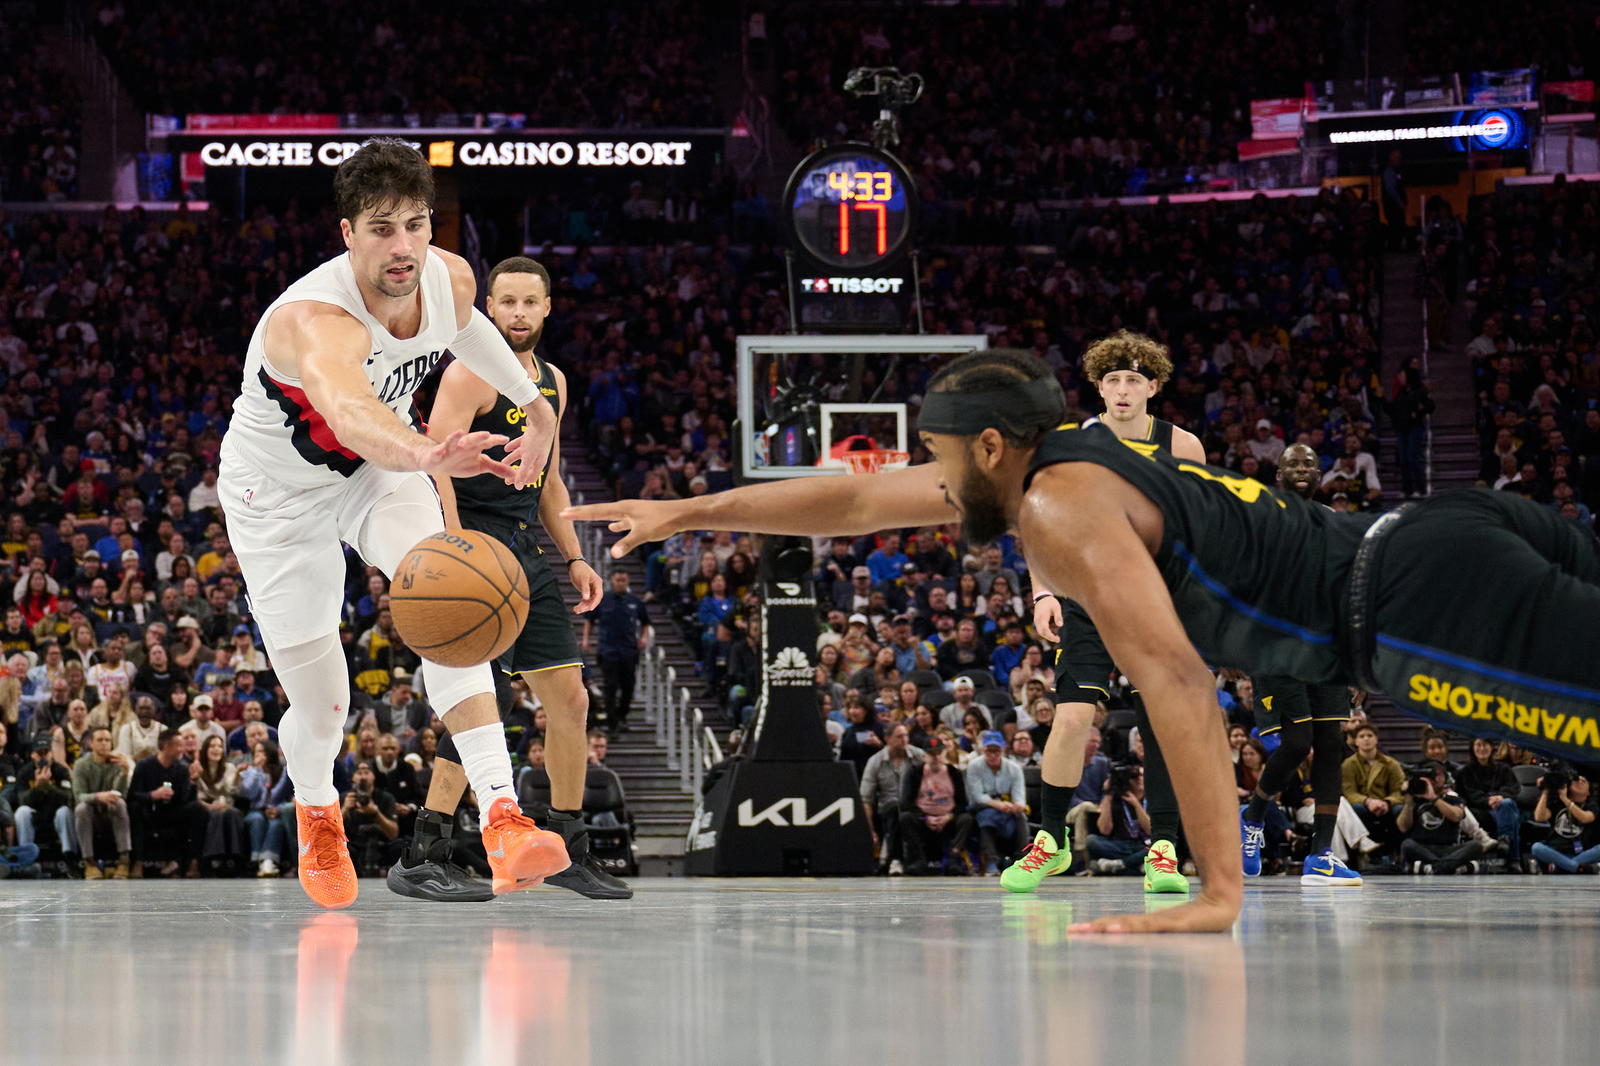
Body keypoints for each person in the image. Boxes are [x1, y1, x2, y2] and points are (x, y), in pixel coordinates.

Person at [568, 344, 1600, 933]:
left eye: (934, 457)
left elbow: (1180, 684)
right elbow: (851, 499)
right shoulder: (1049, 461)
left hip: (1417, 605)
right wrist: (687, 512)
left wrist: (1216, 892)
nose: (923, 479)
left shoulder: (1061, 510)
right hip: (1443, 529)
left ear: (985, 446)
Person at [215, 140, 563, 908]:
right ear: (347, 233)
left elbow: (470, 330)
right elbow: (348, 411)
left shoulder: (447, 276)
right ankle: (314, 808)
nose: (403, 246)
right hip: (278, 499)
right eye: (380, 228)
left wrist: (533, 403)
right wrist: (428, 450)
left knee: (451, 596)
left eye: (414, 224)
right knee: (323, 702)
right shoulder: (315, 321)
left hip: (379, 471)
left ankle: (503, 817)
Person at [1011, 331, 1207, 897]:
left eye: (1134, 381)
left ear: (1153, 387)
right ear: (1099, 386)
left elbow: (1201, 533)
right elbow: (1040, 525)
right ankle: (1050, 841)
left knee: (1162, 726)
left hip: (1158, 601)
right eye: (1112, 380)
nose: (1123, 390)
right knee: (1071, 719)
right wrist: (1043, 592)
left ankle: (1164, 849)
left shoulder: (1183, 446)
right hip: (1087, 596)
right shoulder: (1070, 442)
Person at [1240, 444, 1363, 886]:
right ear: (1279, 473)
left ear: (1320, 474)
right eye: (1293, 462)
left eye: (1310, 463)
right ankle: (1252, 818)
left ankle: (1320, 855)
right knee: (1296, 744)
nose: (1302, 469)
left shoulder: (1334, 523)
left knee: (1331, 744)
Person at [581, 570, 652, 737]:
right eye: (618, 579)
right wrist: (586, 639)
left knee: (628, 686)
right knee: (610, 686)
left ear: (628, 581)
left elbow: (646, 622)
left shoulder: (634, 601)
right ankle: (612, 723)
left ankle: (622, 716)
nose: (621, 582)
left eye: (624, 579)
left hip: (629, 650)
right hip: (608, 650)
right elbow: (588, 620)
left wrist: (644, 637)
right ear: (612, 580)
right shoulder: (602, 599)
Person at [898, 739, 975, 875]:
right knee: (905, 818)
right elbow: (906, 803)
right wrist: (924, 817)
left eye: (938, 752)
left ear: (944, 753)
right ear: (924, 756)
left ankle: (954, 859)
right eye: (931, 753)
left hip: (948, 819)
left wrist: (949, 816)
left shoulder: (954, 773)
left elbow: (962, 803)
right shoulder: (915, 773)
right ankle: (918, 860)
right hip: (923, 819)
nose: (935, 757)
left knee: (966, 819)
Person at [859, 723, 923, 875]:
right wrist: (870, 830)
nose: (904, 740)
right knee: (895, 809)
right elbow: (866, 799)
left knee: (905, 813)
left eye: (906, 736)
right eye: (899, 737)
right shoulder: (875, 761)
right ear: (887, 739)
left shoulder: (918, 756)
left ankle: (912, 860)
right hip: (887, 808)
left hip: (915, 805)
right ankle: (896, 858)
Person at [71, 726, 132, 878]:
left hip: (111, 813)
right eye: (100, 740)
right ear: (91, 744)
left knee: (120, 804)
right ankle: (89, 863)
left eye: (107, 740)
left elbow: (121, 794)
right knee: (81, 809)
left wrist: (125, 773)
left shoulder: (118, 763)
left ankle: (124, 861)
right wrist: (98, 796)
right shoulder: (81, 765)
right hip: (91, 815)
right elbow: (79, 796)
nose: (104, 743)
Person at [1455, 737, 1522, 871]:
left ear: (1491, 748)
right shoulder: (1465, 772)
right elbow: (1468, 794)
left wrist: (1500, 797)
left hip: (1502, 807)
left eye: (1485, 745)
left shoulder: (1504, 768)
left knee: (1507, 804)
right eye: (1478, 745)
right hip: (1479, 811)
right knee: (1511, 815)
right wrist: (1488, 800)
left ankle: (1505, 843)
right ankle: (1513, 859)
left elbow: (1514, 789)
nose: (1482, 748)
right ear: (1472, 748)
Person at [966, 730, 1028, 874]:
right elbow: (977, 796)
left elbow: (1019, 796)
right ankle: (991, 860)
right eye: (989, 751)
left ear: (1003, 750)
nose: (993, 755)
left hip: (1007, 807)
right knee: (987, 817)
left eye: (996, 751)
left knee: (1021, 818)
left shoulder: (1014, 768)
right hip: (982, 807)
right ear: (983, 750)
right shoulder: (974, 766)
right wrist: (998, 804)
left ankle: (1022, 860)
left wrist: (1018, 806)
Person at [1397, 768, 1479, 875]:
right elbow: (1403, 827)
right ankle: (1451, 868)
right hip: (1423, 848)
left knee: (1476, 845)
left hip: (1449, 848)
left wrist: (1434, 798)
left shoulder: (1452, 798)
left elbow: (1457, 816)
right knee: (1407, 844)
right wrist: (1408, 801)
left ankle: (1431, 868)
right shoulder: (1415, 800)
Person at [1342, 724, 1406, 850]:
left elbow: (1398, 790)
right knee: (1356, 808)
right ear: (1356, 741)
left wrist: (1387, 802)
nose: (1366, 739)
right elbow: (1349, 792)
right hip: (1363, 804)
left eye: (1370, 736)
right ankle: (1360, 852)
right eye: (1362, 736)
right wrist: (1368, 801)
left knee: (1400, 809)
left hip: (1386, 804)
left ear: (1376, 739)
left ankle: (1397, 852)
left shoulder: (1391, 763)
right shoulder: (1348, 765)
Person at [1528, 771, 1600, 873]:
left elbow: (1585, 818)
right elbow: (1539, 817)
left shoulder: (1592, 806)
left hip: (1581, 854)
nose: (1579, 781)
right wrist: (1545, 791)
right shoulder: (1556, 803)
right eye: (1576, 780)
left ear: (1588, 792)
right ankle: (1575, 867)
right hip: (1556, 853)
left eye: (1583, 781)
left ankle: (1563, 867)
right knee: (1536, 847)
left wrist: (1565, 799)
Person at [1089, 762, 1152, 875]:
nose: (1138, 779)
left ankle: (1119, 864)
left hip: (1143, 844)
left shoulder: (1151, 799)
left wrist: (1136, 804)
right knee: (1092, 841)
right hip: (1119, 844)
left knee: (1159, 846)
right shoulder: (1116, 800)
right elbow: (1104, 830)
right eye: (1133, 776)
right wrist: (1108, 795)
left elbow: (1150, 830)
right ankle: (1135, 864)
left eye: (1141, 775)